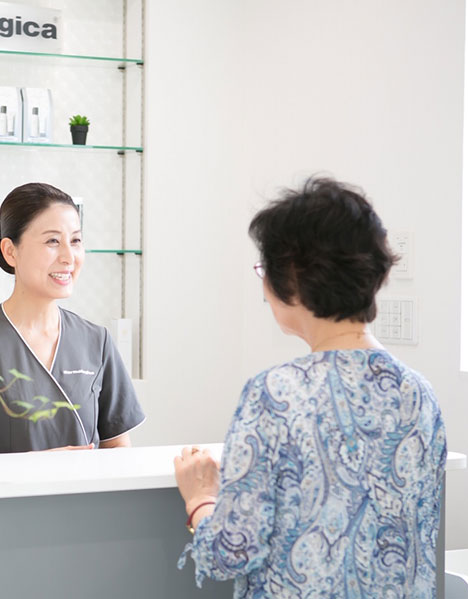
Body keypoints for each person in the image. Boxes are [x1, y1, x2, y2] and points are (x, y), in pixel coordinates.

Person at [174, 178, 447, 597]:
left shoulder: (275, 393)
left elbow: (229, 554)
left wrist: (200, 499)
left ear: (292, 278)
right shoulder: (419, 393)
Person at [0, 182, 146, 455]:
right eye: (52, 241)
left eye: (76, 241)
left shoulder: (97, 340)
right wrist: (36, 466)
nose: (69, 256)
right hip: (4, 499)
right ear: (11, 251)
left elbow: (118, 449)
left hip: (85, 498)